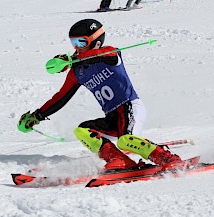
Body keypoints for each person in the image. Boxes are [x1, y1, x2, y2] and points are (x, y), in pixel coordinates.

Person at [18, 19, 183, 171]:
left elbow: (106, 54)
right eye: (73, 43)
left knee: (126, 141)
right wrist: (37, 116)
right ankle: (119, 160)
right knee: (82, 131)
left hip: (130, 107)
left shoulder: (110, 55)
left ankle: (167, 158)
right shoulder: (78, 72)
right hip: (112, 116)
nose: (77, 47)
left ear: (96, 42)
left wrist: (74, 59)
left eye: (81, 42)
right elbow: (61, 98)